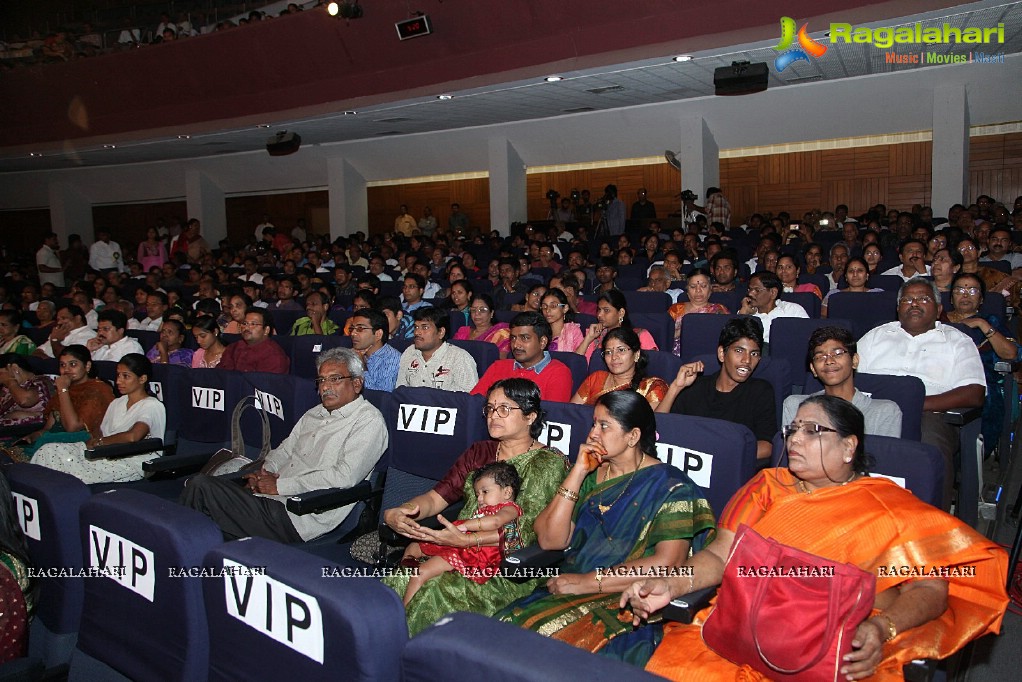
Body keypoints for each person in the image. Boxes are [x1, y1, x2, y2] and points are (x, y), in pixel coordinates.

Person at [624, 396, 1009, 680]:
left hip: (838, 650)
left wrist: (881, 628)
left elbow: (929, 588)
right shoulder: (766, 487)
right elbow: (722, 555)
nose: (794, 439)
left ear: (848, 447)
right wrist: (672, 581)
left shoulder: (888, 508)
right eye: (792, 430)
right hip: (739, 630)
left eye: (813, 430)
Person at [498, 390, 715, 659]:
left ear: (633, 436)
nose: (592, 434)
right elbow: (550, 540)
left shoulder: (671, 487)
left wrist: (586, 582)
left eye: (604, 425)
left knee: (551, 652)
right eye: (593, 423)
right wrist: (578, 472)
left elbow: (668, 564)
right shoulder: (591, 475)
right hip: (567, 588)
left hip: (631, 598)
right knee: (503, 632)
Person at [381, 378, 568, 635]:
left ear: (530, 416)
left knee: (435, 590)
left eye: (504, 408)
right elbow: (437, 498)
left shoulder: (547, 463)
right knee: (402, 577)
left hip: (504, 565)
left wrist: (467, 541)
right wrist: (401, 510)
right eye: (490, 408)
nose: (493, 416)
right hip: (454, 546)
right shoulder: (479, 452)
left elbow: (523, 532)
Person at [181, 348, 388, 542]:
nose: (325, 387)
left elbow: (345, 476)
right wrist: (264, 472)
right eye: (322, 380)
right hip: (270, 498)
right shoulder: (314, 414)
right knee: (205, 509)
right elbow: (285, 449)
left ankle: (181, 557)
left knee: (201, 488)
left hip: (299, 513)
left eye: (335, 379)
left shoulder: (368, 421)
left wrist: (280, 486)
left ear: (357, 383)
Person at [856, 278, 985, 509]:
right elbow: (848, 374)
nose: (914, 304)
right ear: (898, 308)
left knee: (928, 447)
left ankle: (929, 523)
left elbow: (974, 392)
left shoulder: (958, 341)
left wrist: (913, 404)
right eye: (907, 299)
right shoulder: (876, 335)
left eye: (923, 298)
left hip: (930, 414)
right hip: (871, 407)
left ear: (939, 308)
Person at [401, 462, 523, 605]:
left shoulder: (509, 508)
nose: (479, 499)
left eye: (485, 492)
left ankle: (403, 612)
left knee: (422, 572)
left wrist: (463, 526)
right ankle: (408, 569)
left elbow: (496, 522)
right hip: (460, 545)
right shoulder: (482, 511)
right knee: (414, 546)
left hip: (477, 554)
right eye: (477, 494)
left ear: (507, 492)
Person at [33, 354, 164, 484]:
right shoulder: (117, 403)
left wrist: (100, 442)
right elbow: (101, 433)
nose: (118, 381)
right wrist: (93, 442)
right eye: (118, 375)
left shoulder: (151, 405)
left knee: (63, 465)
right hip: (106, 452)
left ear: (142, 379)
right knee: (48, 451)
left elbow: (133, 436)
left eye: (126, 376)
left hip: (131, 459)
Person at [657, 317, 775, 460]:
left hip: (733, 470)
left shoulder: (761, 391)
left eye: (754, 354)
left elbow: (766, 446)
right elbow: (657, 430)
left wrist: (717, 457)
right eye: (739, 351)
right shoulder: (695, 387)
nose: (747, 360)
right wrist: (676, 387)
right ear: (721, 354)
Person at [942, 272, 1022, 457]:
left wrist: (981, 324)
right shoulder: (939, 320)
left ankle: (969, 464)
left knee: (989, 403)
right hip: (941, 377)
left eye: (972, 290)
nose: (965, 294)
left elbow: (1012, 353)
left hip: (980, 382)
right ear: (951, 297)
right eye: (960, 289)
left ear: (981, 299)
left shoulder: (990, 321)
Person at [782, 326, 902, 437]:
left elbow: (882, 458)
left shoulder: (883, 412)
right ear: (813, 369)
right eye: (820, 357)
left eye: (838, 353)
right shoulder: (795, 406)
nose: (829, 361)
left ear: (854, 361)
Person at [472, 312, 573, 402]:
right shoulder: (498, 367)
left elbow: (552, 417)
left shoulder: (558, 373)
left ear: (542, 342)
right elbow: (473, 403)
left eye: (525, 338)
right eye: (513, 338)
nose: (516, 345)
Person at [572, 328, 668, 408]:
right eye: (608, 352)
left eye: (621, 350)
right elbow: (571, 414)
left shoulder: (651, 387)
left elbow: (654, 425)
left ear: (636, 355)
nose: (614, 357)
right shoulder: (595, 379)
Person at [396, 307, 478, 392]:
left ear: (441, 332)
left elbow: (470, 398)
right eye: (416, 327)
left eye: (425, 327)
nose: (417, 332)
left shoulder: (459, 358)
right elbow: (400, 391)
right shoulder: (409, 352)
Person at [577, 290, 658, 362]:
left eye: (606, 310)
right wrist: (588, 338)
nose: (599, 315)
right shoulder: (595, 336)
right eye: (599, 310)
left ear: (621, 312)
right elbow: (576, 364)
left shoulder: (640, 335)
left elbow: (652, 367)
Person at [667, 268, 729, 356]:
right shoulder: (676, 309)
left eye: (703, 286)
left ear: (710, 289)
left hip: (712, 355)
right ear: (687, 290)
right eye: (693, 287)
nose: (698, 290)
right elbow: (665, 336)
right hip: (678, 356)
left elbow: (729, 337)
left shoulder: (720, 310)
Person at [738, 271, 807, 346]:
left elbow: (807, 337)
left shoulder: (793, 310)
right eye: (750, 289)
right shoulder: (746, 312)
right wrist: (743, 314)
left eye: (757, 290)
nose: (750, 294)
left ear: (773, 292)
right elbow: (734, 341)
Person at [218, 309, 290, 374]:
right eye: (245, 323)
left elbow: (266, 385)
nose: (246, 328)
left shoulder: (274, 356)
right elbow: (219, 375)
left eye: (253, 324)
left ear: (266, 330)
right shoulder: (233, 348)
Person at [349, 308, 401, 391]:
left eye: (360, 329)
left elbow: (382, 396)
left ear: (378, 334)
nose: (353, 333)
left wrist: (362, 365)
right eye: (352, 329)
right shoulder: (350, 353)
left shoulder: (392, 358)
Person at [0, 355, 53, 431]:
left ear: (14, 368)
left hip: (32, 433)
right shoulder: (6, 389)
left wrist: (10, 380)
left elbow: (24, 400)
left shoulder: (41, 382)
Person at [452, 294, 511, 358]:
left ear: (491, 313)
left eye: (482, 310)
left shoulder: (500, 333)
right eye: (473, 310)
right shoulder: (463, 332)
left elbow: (501, 362)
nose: (477, 314)